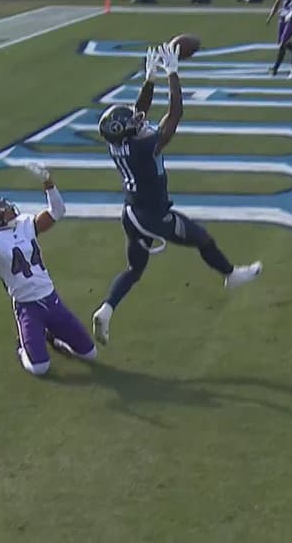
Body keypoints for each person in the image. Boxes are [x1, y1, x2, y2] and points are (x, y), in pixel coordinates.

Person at [91, 44, 263, 345]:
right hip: (152, 215)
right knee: (203, 239)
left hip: (131, 213)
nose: (138, 119)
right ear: (127, 131)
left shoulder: (118, 143)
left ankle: (106, 309)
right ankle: (230, 274)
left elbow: (138, 112)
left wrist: (149, 78)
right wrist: (172, 73)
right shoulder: (145, 146)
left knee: (134, 269)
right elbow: (175, 113)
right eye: (132, 122)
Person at [0, 164, 97, 377]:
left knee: (90, 354)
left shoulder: (24, 224)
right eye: (2, 209)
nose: (8, 208)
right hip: (27, 307)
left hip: (51, 298)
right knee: (40, 368)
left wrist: (48, 181)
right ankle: (22, 348)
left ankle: (52, 336)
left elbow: (57, 211)